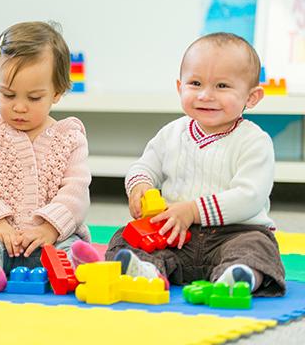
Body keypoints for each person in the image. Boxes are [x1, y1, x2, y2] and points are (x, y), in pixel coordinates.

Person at [104, 32, 285, 296]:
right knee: (124, 237)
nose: (205, 95)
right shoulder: (171, 133)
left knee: (258, 246)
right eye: (195, 83)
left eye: (222, 86)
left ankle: (239, 274)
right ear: (180, 88)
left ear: (252, 97)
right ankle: (146, 272)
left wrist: (192, 210)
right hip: (174, 234)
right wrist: (139, 185)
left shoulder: (254, 141)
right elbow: (144, 166)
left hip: (234, 233)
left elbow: (250, 197)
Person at [0, 21, 95, 292]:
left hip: (50, 239)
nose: (19, 107)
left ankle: (75, 267)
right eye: (7, 94)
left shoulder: (70, 137)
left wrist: (49, 229)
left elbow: (76, 191)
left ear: (57, 92)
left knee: (70, 245)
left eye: (34, 98)